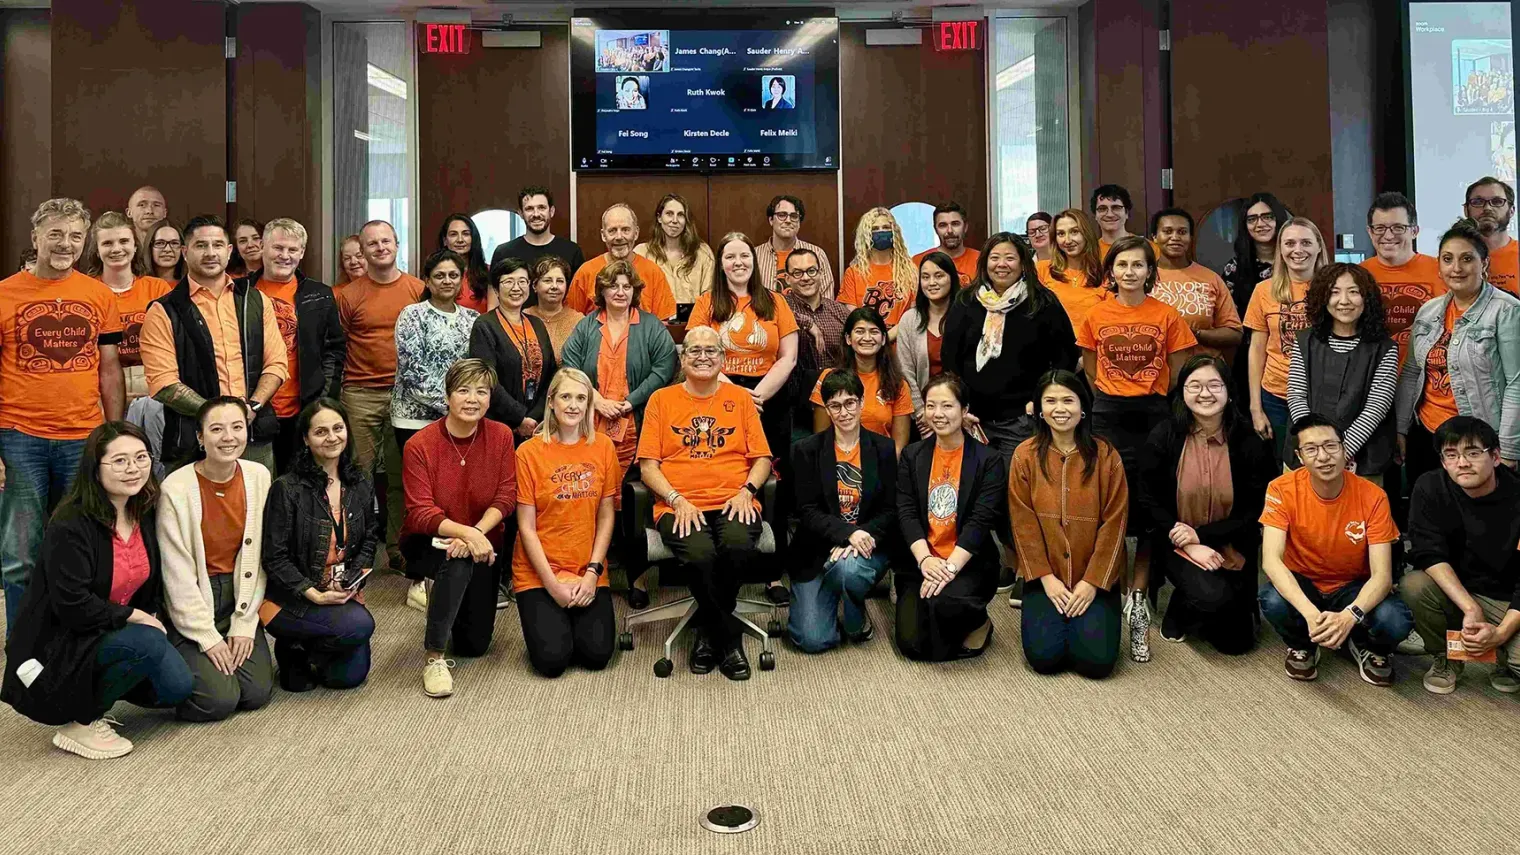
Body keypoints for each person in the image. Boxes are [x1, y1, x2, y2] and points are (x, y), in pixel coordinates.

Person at [0, 421, 192, 759]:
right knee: (147, 641)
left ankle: (103, 680)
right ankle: (80, 721)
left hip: (109, 631)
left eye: (141, 457)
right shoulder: (71, 523)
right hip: (60, 643)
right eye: (119, 461)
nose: (133, 469)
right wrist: (135, 616)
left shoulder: (142, 509)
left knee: (177, 688)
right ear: (95, 467)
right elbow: (72, 605)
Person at [0, 199, 126, 627]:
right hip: (19, 437)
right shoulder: (4, 294)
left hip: (83, 437)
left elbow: (109, 369)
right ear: (34, 237)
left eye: (75, 235)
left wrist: (113, 433)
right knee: (20, 555)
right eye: (55, 233)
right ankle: (23, 643)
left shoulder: (98, 295)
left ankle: (71, 637)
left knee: (77, 545)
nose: (65, 244)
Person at [1076, 235, 1197, 662]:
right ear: (1111, 272)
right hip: (1109, 413)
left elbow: (1180, 370)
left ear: (1151, 272)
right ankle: (1114, 585)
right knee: (1111, 502)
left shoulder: (1166, 315)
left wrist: (1154, 397)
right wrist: (1111, 394)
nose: (1130, 272)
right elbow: (1090, 368)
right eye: (1122, 265)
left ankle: (1140, 596)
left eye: (1138, 265)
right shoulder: (1096, 314)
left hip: (1155, 414)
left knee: (1148, 506)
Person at [636, 327, 773, 680]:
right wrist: (676, 499)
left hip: (734, 500)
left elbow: (762, 458)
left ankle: (708, 633)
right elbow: (648, 466)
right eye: (694, 350)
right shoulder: (661, 400)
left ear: (723, 359)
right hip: (679, 504)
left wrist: (747, 491)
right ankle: (727, 639)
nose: (702, 357)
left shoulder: (740, 400)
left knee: (738, 545)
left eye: (711, 351)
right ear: (682, 359)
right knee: (700, 554)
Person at [1258, 414, 1413, 685]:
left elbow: (1382, 576)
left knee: (1395, 619)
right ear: (1299, 456)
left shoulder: (1373, 495)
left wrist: (1349, 616)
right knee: (1271, 599)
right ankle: (1304, 643)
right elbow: (1271, 561)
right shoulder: (1281, 488)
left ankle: (1366, 646)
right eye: (1312, 449)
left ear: (1344, 449)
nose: (1323, 456)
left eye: (1331, 446)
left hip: (1352, 585)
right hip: (1304, 583)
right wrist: (1310, 614)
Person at [689, 234, 798, 602]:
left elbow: (788, 356)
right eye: (730, 256)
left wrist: (758, 395)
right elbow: (695, 354)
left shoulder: (775, 301)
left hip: (770, 398)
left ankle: (772, 574)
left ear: (754, 261)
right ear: (721, 263)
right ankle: (721, 562)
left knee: (771, 484)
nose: (738, 262)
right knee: (723, 475)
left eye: (744, 255)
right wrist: (738, 396)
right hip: (716, 397)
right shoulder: (707, 303)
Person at [401, 359, 518, 698]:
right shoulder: (420, 444)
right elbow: (421, 512)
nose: (472, 399)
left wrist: (476, 533)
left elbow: (506, 496)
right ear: (448, 395)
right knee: (457, 561)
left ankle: (443, 597)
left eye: (481, 391)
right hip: (429, 541)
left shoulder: (500, 436)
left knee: (474, 645)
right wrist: (466, 535)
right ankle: (434, 657)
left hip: (482, 541)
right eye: (463, 390)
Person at [1139, 355, 1271, 654]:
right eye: (1194, 385)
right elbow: (1148, 498)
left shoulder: (1249, 440)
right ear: (1182, 391)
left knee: (1237, 644)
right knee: (1213, 596)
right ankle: (1183, 606)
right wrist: (1186, 540)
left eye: (1214, 385)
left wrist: (1204, 536)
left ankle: (1205, 604)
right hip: (1176, 542)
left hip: (1233, 541)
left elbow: (1257, 508)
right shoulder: (1165, 435)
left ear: (1229, 390)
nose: (1205, 394)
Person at [140, 214, 288, 472]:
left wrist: (251, 407)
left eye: (218, 245)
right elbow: (163, 383)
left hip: (253, 433)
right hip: (192, 439)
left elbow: (276, 364)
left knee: (258, 509)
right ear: (185, 252)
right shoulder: (164, 310)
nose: (210, 253)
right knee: (195, 511)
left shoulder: (255, 301)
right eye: (201, 245)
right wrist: (220, 417)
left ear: (229, 251)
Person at [157, 396, 275, 720]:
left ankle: (220, 652)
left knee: (255, 693)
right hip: (194, 599)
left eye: (237, 427)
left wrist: (245, 623)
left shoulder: (259, 476)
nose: (228, 437)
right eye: (217, 429)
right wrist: (208, 638)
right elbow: (176, 575)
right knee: (218, 701)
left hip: (239, 596)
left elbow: (260, 561)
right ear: (200, 437)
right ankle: (173, 655)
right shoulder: (175, 489)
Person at [1010, 370, 1128, 677]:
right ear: (1038, 408)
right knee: (1044, 660)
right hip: (1046, 577)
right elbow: (1023, 523)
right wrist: (1046, 579)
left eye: (1068, 400)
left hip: (1095, 577)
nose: (1059, 409)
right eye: (1050, 401)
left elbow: (1115, 524)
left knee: (1096, 664)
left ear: (1083, 406)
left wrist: (1091, 583)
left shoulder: (1106, 456)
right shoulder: (1024, 455)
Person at [259, 399, 378, 692]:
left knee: (347, 679)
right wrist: (313, 593)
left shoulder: (360, 482)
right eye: (321, 432)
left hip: (339, 593)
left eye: (338, 428)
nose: (332, 437)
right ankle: (291, 646)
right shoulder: (287, 488)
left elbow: (370, 540)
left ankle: (307, 648)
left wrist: (352, 582)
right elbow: (274, 558)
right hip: (292, 598)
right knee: (360, 626)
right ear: (305, 439)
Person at [1395, 219, 1520, 490]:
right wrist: (1401, 428)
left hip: (1479, 439)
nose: (1456, 268)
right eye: (1448, 259)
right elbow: (1412, 372)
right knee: (1433, 519)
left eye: (1467, 259)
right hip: (1428, 435)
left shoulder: (1506, 310)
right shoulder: (1428, 311)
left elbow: (1516, 383)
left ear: (1484, 263)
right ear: (1439, 267)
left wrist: (1509, 448)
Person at [1400, 416, 1520, 694]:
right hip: (1460, 592)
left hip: (1510, 600)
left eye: (1473, 453)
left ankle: (1504, 658)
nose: (1462, 463)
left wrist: (1501, 633)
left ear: (1496, 456)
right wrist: (1470, 607)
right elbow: (1427, 553)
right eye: (1451, 455)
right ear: (1443, 461)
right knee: (1415, 585)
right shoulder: (1430, 487)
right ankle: (1448, 657)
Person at [511, 369, 619, 677]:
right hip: (540, 571)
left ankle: (569, 616)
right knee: (552, 662)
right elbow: (526, 528)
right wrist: (553, 585)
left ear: (589, 405)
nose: (573, 405)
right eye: (566, 397)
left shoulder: (603, 448)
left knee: (597, 655)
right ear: (552, 402)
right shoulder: (528, 452)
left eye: (581, 398)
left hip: (587, 568)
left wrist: (592, 573)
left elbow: (606, 514)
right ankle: (553, 615)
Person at [333, 219, 425, 570]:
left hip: (407, 395)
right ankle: (356, 548)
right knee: (359, 475)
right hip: (360, 394)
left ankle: (399, 548)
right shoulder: (349, 295)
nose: (380, 248)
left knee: (404, 475)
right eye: (372, 244)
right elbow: (338, 346)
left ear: (397, 244)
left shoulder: (417, 289)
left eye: (386, 241)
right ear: (363, 250)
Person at [559, 259, 677, 527]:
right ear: (602, 291)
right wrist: (596, 400)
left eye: (626, 286)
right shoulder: (587, 326)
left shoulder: (650, 326)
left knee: (628, 482)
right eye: (613, 286)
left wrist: (629, 402)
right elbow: (569, 366)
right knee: (591, 475)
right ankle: (593, 534)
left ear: (635, 291)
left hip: (635, 420)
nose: (620, 292)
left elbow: (664, 368)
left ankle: (626, 541)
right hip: (591, 419)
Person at [941, 232, 1078, 465]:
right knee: (976, 488)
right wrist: (960, 406)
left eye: (1010, 258)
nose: (1001, 265)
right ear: (984, 263)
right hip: (972, 419)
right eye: (995, 258)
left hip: (1023, 420)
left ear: (1023, 263)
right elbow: (950, 359)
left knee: (1013, 489)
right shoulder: (966, 301)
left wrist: (1041, 399)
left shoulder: (1042, 302)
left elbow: (1066, 356)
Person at [895, 374, 1005, 661]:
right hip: (922, 562)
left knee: (944, 608)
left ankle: (981, 621)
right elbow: (906, 512)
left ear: (964, 410)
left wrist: (949, 569)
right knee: (914, 647)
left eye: (947, 406)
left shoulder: (988, 459)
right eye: (931, 406)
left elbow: (980, 522)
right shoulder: (912, 455)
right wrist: (926, 560)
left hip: (967, 563)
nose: (938, 414)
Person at [789, 371, 899, 652]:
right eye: (835, 405)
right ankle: (829, 591)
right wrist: (846, 534)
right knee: (813, 640)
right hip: (817, 548)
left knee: (848, 569)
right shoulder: (806, 450)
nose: (844, 411)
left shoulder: (884, 448)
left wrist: (857, 538)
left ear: (862, 402)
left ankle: (854, 617)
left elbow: (891, 509)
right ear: (826, 409)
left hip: (867, 544)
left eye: (850, 402)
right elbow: (806, 510)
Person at [239, 218, 346, 474]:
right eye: (278, 248)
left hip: (303, 410)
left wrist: (322, 401)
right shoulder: (239, 293)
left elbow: (334, 350)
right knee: (258, 488)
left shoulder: (319, 293)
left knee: (300, 487)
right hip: (253, 410)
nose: (284, 256)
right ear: (262, 246)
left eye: (292, 249)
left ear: (302, 253)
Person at [1286, 263, 1398, 484]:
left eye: (1354, 292)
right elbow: (1296, 396)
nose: (1344, 300)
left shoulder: (1385, 348)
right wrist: (1314, 448)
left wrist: (1337, 453)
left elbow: (1376, 408)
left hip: (1365, 459)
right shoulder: (1304, 341)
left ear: (1367, 298)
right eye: (1334, 292)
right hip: (1304, 456)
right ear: (1323, 298)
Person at [1244, 216, 1330, 464]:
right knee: (1284, 470)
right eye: (1290, 243)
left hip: (1322, 394)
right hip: (1276, 396)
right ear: (1280, 249)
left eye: (1306, 242)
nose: (1298, 250)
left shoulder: (1335, 288)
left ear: (1318, 247)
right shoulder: (1264, 290)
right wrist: (1255, 407)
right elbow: (1257, 349)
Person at [80, 211, 172, 403]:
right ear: (96, 250)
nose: (116, 249)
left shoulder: (157, 288)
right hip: (100, 388)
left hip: (152, 387)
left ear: (135, 245)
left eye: (123, 241)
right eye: (107, 243)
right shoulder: (85, 291)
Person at [394, 250, 481, 450]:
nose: (447, 281)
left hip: (461, 420)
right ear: (427, 280)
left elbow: (476, 369)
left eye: (453, 275)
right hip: (415, 420)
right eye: (439, 276)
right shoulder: (412, 315)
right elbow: (413, 374)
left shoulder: (473, 318)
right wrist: (454, 405)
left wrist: (464, 407)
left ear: (461, 280)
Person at [469, 256, 558, 444]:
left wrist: (535, 416)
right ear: (496, 289)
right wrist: (520, 418)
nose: (516, 288)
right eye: (508, 281)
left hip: (537, 425)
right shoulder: (485, 325)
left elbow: (552, 374)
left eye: (522, 281)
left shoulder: (537, 324)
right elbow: (486, 380)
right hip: (498, 425)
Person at [811, 308, 912, 453]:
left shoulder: (898, 384)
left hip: (880, 464)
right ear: (848, 338)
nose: (867, 338)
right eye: (859, 331)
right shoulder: (828, 378)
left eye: (874, 332)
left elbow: (898, 447)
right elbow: (820, 439)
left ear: (883, 339)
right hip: (838, 465)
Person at [1360, 192, 1444, 367]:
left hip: (1424, 382)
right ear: (1370, 231)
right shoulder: (1357, 274)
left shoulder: (1441, 271)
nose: (1388, 236)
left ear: (1414, 231)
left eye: (1398, 227)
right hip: (1370, 380)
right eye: (1380, 228)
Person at [1149, 207, 1242, 360]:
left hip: (1202, 373)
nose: (1175, 237)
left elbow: (1234, 333)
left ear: (1190, 237)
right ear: (1154, 237)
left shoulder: (1211, 279)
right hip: (1154, 372)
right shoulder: (1142, 277)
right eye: (1167, 231)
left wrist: (1197, 334)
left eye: (1182, 232)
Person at [565, 204, 676, 320]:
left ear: (636, 233)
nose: (619, 236)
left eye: (625, 230)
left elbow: (663, 324)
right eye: (612, 231)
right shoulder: (585, 272)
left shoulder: (653, 273)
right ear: (603, 235)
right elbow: (571, 321)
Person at [781, 247, 851, 402]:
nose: (806, 278)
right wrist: (808, 323)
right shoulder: (779, 308)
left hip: (837, 402)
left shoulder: (840, 313)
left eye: (811, 271)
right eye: (797, 273)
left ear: (821, 273)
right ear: (787, 278)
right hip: (791, 404)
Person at [897, 252, 959, 425]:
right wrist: (921, 413)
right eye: (925, 277)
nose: (932, 283)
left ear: (951, 278)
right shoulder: (910, 320)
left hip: (961, 414)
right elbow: (905, 373)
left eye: (939, 275)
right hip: (921, 415)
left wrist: (960, 412)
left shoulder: (965, 316)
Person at [838, 207, 916, 333]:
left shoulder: (910, 271)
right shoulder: (853, 273)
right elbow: (852, 316)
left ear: (894, 232)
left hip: (901, 340)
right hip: (866, 341)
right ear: (866, 235)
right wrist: (875, 337)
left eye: (886, 227)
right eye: (874, 229)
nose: (881, 232)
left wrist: (888, 337)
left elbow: (914, 314)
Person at [633, 193, 715, 308]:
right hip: (653, 323)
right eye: (669, 214)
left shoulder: (702, 252)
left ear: (686, 220)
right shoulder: (642, 253)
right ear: (659, 218)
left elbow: (709, 298)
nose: (674, 220)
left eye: (680, 215)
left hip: (694, 323)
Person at [1223, 192, 1291, 318]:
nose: (1259, 224)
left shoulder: (1295, 260)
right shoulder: (1234, 267)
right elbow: (1230, 317)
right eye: (1252, 219)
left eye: (1267, 217)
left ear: (1279, 219)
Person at [1038, 208, 1106, 331]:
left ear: (1086, 234)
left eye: (1074, 232)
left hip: (1092, 346)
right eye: (1061, 234)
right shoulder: (1042, 269)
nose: (1068, 240)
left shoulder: (1104, 274)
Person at [490, 186, 585, 274]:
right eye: (529, 209)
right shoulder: (503, 253)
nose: (536, 214)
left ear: (551, 211)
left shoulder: (572, 251)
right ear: (521, 214)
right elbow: (493, 291)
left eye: (541, 208)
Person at [755, 195, 836, 296]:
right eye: (782, 215)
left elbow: (826, 301)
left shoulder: (817, 254)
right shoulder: (754, 256)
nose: (788, 220)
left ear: (799, 222)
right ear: (771, 220)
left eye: (794, 216)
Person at [1463, 176, 1516, 297]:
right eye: (1478, 202)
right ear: (1466, 210)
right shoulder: (1451, 261)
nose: (1487, 208)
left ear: (1511, 210)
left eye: (1497, 201)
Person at [524, 256, 583, 358]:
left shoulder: (578, 321)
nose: (554, 286)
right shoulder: (523, 318)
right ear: (534, 286)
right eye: (548, 281)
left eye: (560, 281)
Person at [912, 202, 981, 284]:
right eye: (943, 225)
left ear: (965, 227)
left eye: (955, 224)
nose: (950, 231)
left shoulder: (981, 260)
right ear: (935, 229)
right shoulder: (918, 261)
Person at [436, 213, 491, 313]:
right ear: (445, 240)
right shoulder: (436, 275)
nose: (460, 240)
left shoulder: (489, 272)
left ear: (473, 238)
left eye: (465, 234)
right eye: (453, 234)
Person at [1090, 184, 1135, 257]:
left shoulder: (1148, 248)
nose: (1109, 215)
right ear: (1095, 215)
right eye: (1102, 209)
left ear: (1126, 213)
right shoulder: (1090, 252)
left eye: (1116, 207)